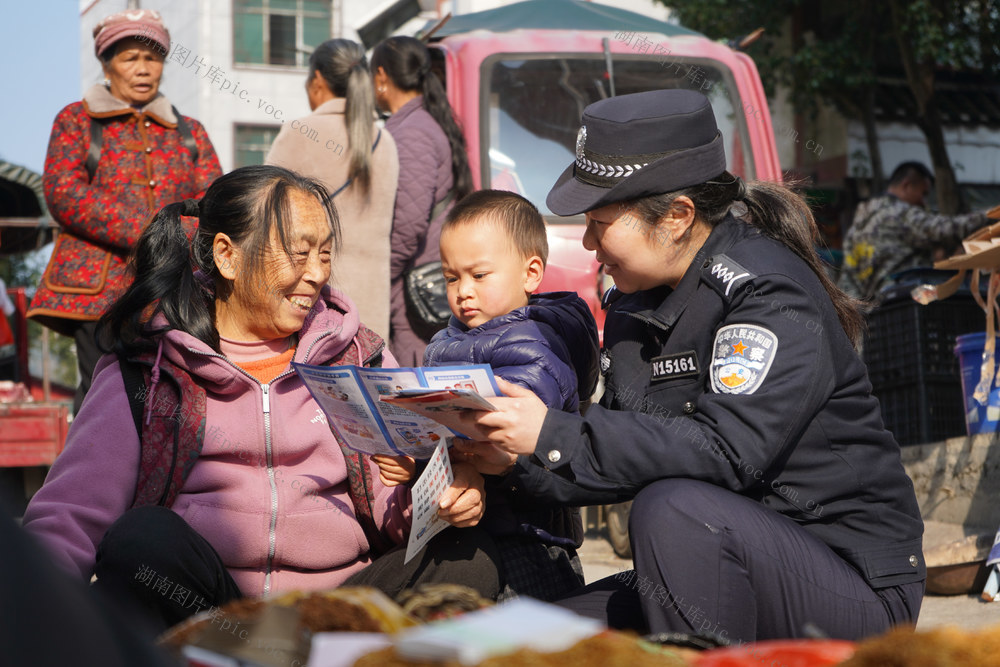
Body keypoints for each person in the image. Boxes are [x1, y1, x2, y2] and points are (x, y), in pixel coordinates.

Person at [450, 90, 925, 643]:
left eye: (600, 222)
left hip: (850, 584)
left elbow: (727, 453)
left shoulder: (769, 294)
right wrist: (509, 461)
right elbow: (631, 447)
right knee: (511, 643)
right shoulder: (636, 300)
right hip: (711, 557)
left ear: (677, 217)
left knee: (672, 507)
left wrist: (552, 431)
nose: (586, 242)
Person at [21, 166, 499, 634]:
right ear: (227, 256)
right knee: (141, 541)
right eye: (298, 254)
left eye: (326, 255)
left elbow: (397, 514)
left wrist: (435, 498)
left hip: (337, 617)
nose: (316, 274)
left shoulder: (360, 358)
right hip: (218, 620)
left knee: (470, 561)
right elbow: (68, 517)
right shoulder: (148, 372)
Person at [374, 190, 600, 602]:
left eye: (478, 276)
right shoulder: (450, 338)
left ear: (531, 273)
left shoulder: (536, 345)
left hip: (529, 542)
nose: (463, 291)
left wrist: (451, 455)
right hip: (472, 527)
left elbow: (514, 440)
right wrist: (416, 458)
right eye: (451, 277)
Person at [27, 9, 222, 414]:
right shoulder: (76, 120)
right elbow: (64, 193)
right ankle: (89, 476)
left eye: (152, 58)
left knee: (175, 394)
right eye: (130, 58)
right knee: (102, 392)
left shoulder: (191, 132)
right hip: (96, 291)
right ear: (106, 64)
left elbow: (212, 202)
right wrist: (154, 231)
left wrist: (174, 239)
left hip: (172, 286)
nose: (142, 69)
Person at [266, 38, 399, 340]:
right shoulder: (385, 142)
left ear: (317, 80)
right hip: (373, 300)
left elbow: (266, 216)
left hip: (313, 297)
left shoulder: (298, 132)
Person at [370, 35, 474, 365]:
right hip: (425, 272)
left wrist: (379, 274)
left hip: (415, 285)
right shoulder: (423, 121)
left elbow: (408, 224)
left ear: (382, 77)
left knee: (414, 383)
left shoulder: (411, 131)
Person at [838, 161, 992, 303]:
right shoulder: (899, 214)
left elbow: (848, 277)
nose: (924, 202)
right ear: (907, 185)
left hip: (868, 315)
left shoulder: (859, 223)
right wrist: (988, 215)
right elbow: (945, 229)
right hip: (900, 306)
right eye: (923, 194)